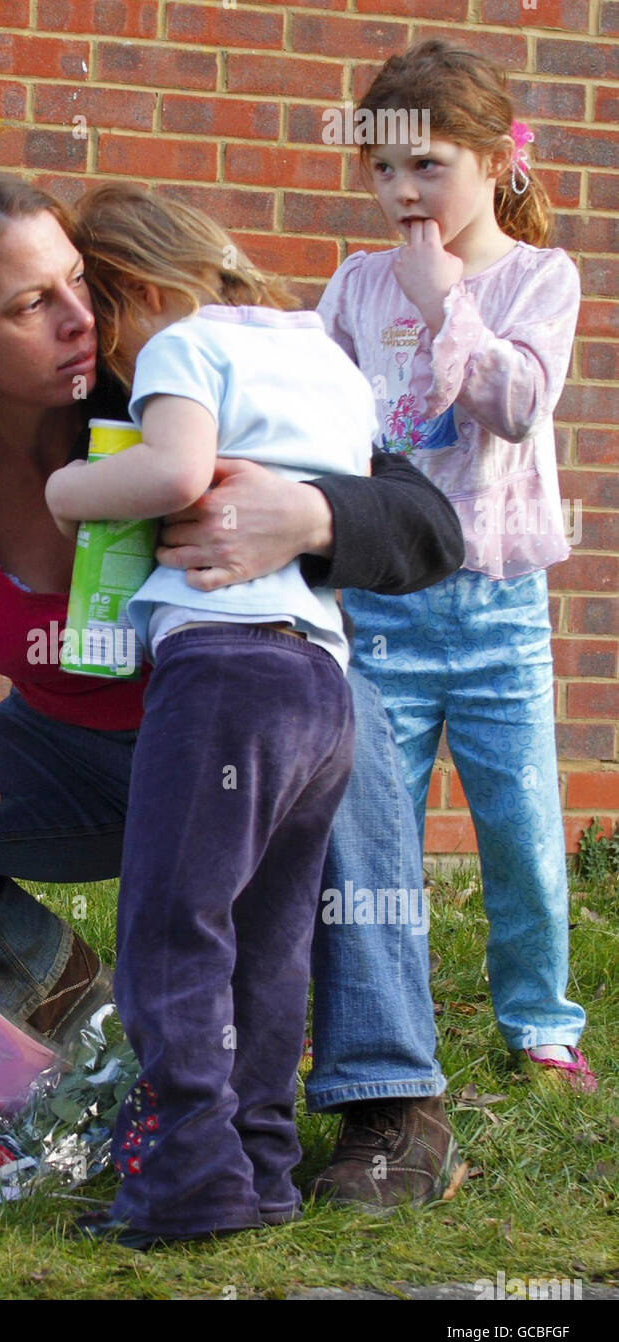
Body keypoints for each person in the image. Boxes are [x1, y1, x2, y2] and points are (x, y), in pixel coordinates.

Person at [0, 170, 465, 1222]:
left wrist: (306, 515)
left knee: (339, 714)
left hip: (244, 743)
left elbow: (426, 527)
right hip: (76, 754)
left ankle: (388, 1101)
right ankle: (85, 1016)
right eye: (29, 303)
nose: (79, 317)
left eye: (76, 281)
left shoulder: (161, 385)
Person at [40, 184, 373, 1246]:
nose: (112, 370)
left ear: (136, 287)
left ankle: (185, 1173)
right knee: (268, 937)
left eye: (106, 335)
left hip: (220, 670)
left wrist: (69, 492)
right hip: (320, 678)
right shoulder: (325, 352)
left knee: (174, 923)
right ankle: (259, 1163)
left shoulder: (185, 342)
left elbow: (175, 467)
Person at [317, 39, 595, 1094]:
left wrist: (445, 302)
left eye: (426, 165)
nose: (400, 190)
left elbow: (515, 405)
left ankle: (537, 1025)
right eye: (382, 168)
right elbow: (320, 415)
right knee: (364, 835)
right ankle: (372, 1025)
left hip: (494, 610)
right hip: (382, 609)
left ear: (491, 162)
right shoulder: (351, 285)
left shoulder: (536, 280)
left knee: (519, 832)